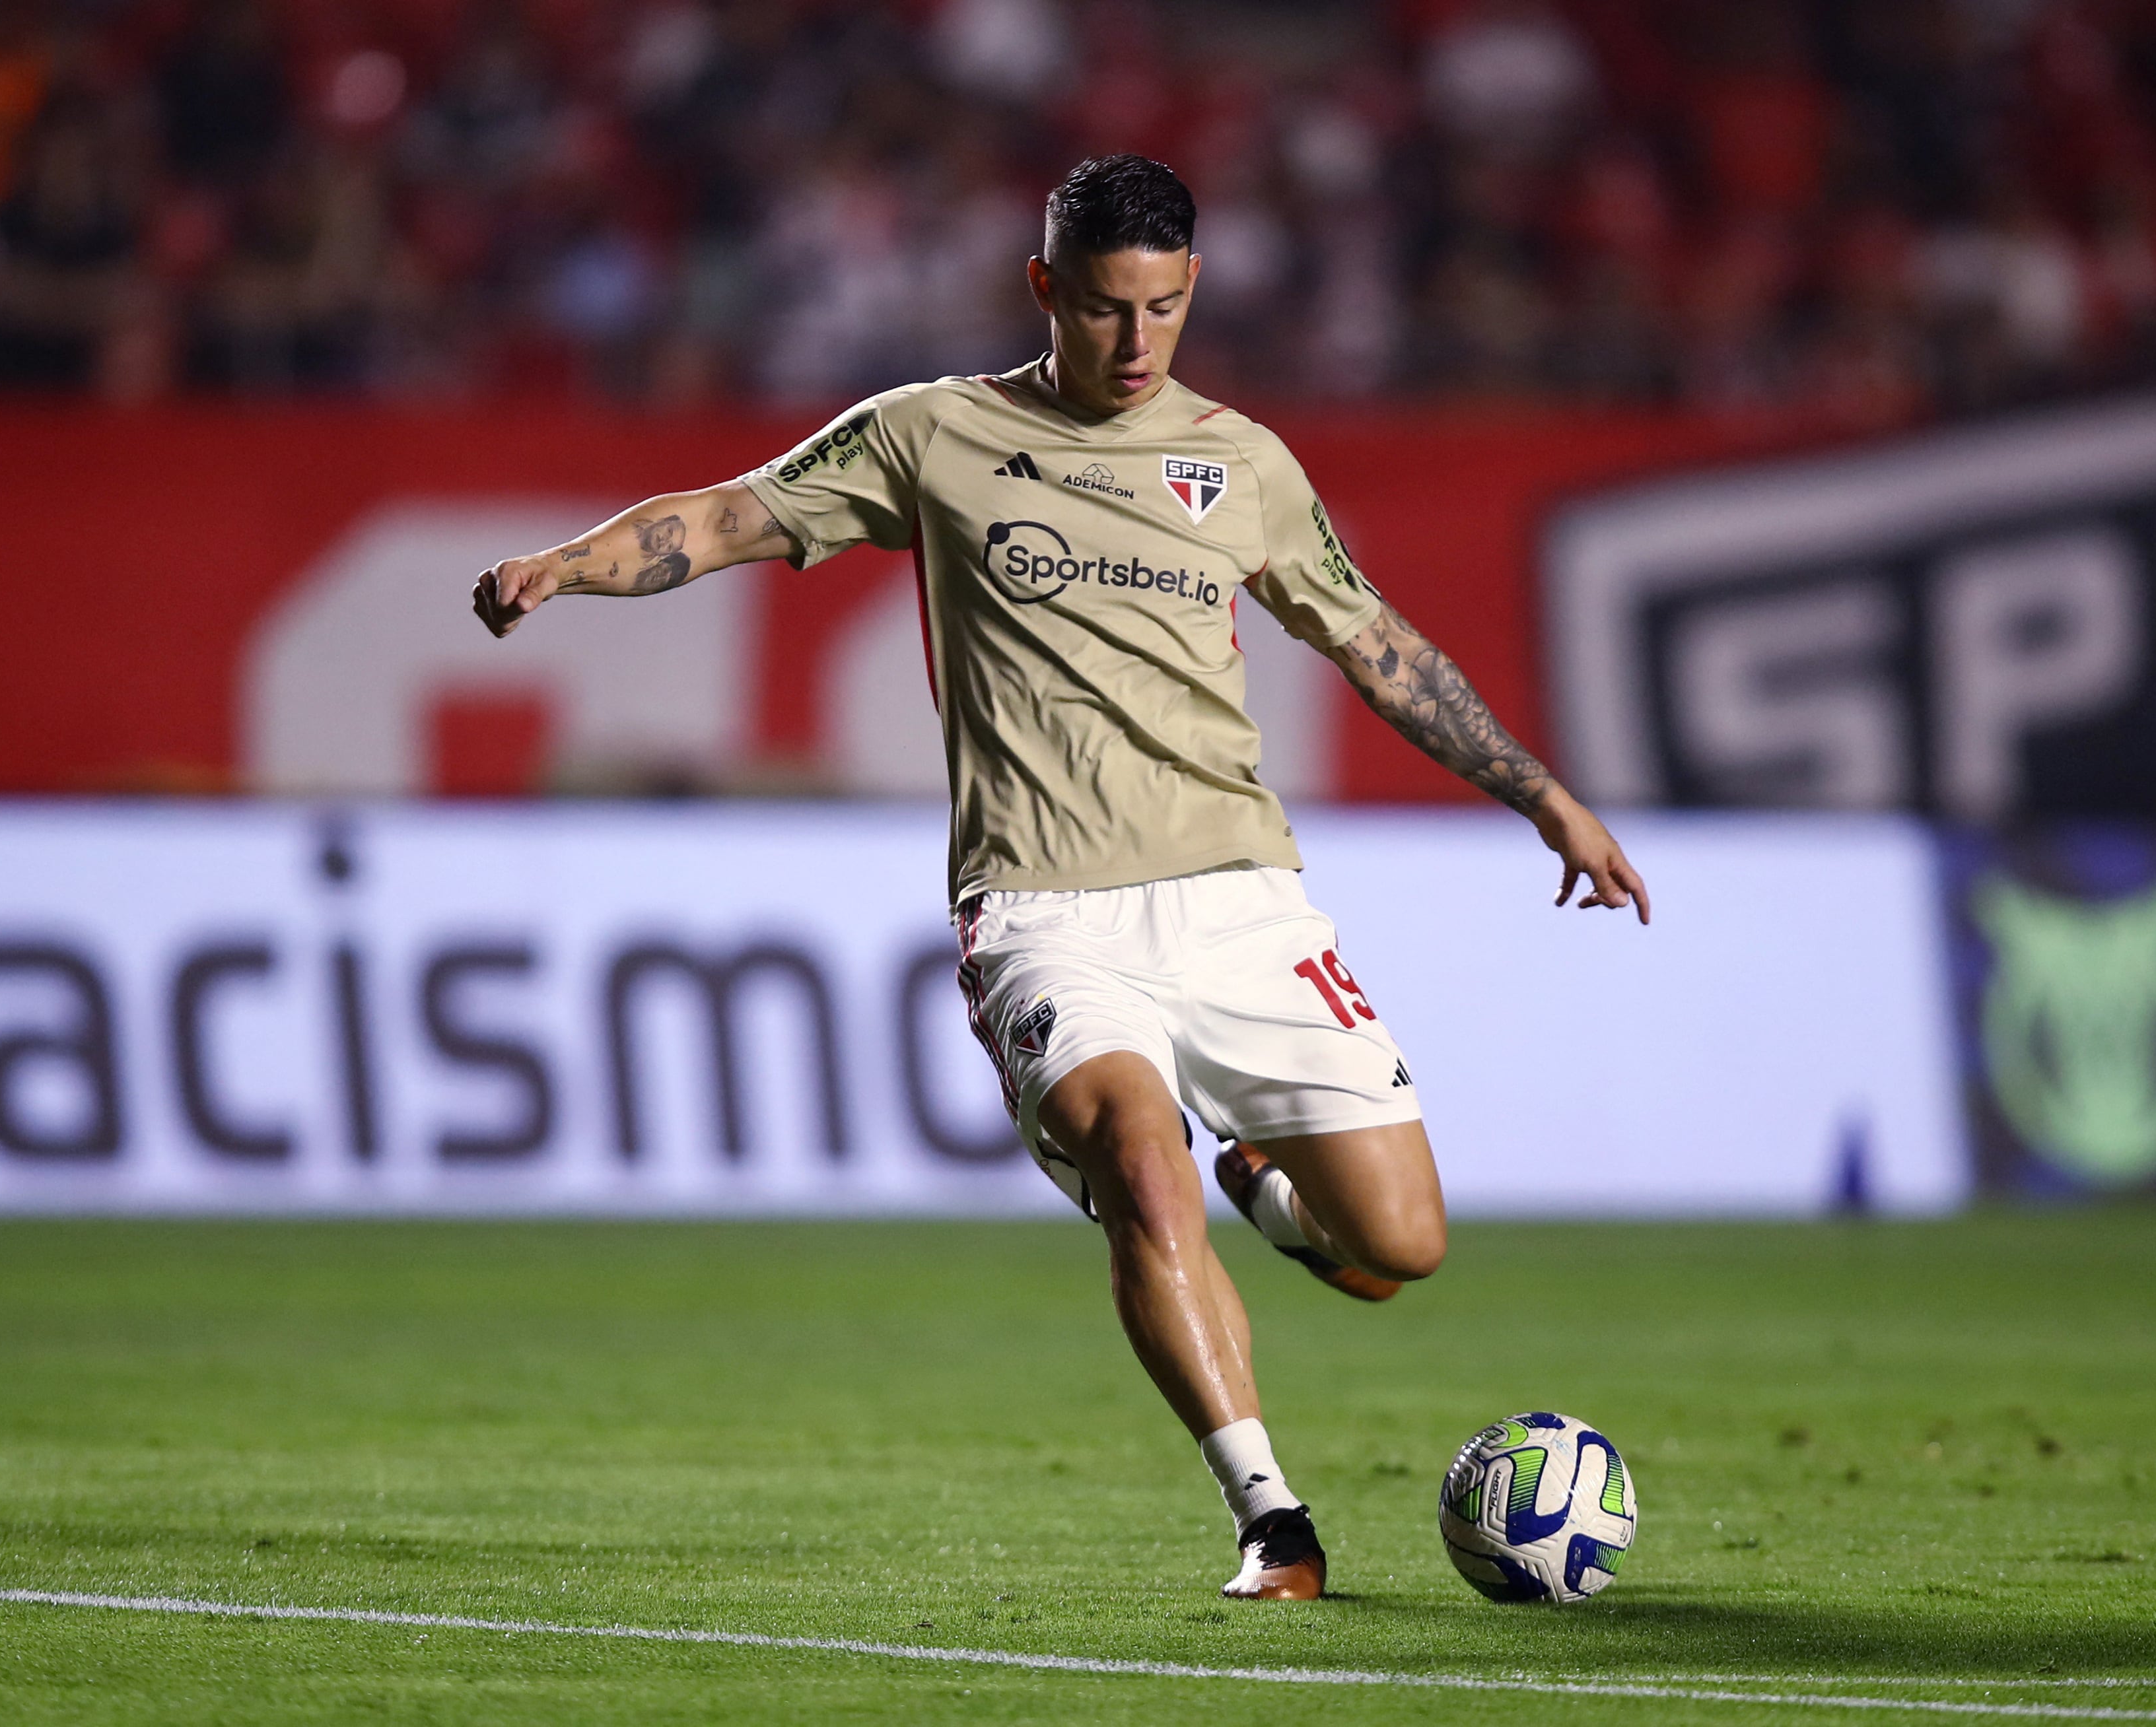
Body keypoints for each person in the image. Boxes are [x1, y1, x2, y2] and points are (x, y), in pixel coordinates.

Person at [473, 154, 1649, 1602]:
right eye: (1105, 309)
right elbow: (726, 516)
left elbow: (1376, 646)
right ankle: (1272, 1518)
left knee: (1401, 1243)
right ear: (1047, 289)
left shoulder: (1247, 464)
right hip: (1042, 914)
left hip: (1239, 898)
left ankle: (1272, 1194)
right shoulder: (934, 436)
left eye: (1162, 307)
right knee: (1144, 1175)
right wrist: (564, 566)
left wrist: (1543, 797)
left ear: (1194, 288)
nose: (1137, 341)